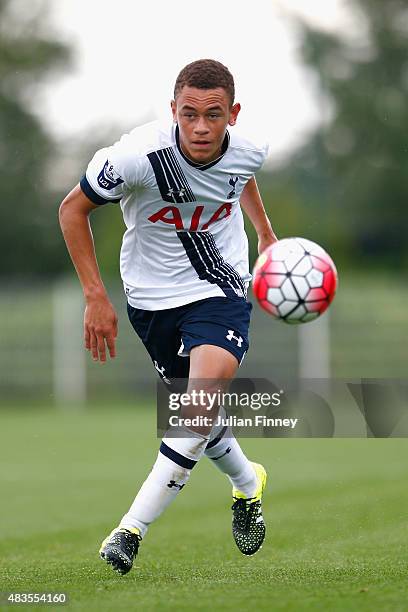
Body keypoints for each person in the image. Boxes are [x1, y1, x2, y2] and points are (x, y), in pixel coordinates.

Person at [59, 59, 278, 575]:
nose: (201, 127)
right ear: (173, 111)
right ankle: (249, 484)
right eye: (190, 114)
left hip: (219, 289)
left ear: (233, 115)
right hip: (150, 300)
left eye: (215, 115)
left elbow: (239, 174)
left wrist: (265, 233)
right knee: (199, 419)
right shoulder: (135, 157)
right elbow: (72, 210)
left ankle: (129, 530)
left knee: (197, 407)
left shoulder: (251, 148)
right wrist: (95, 296)